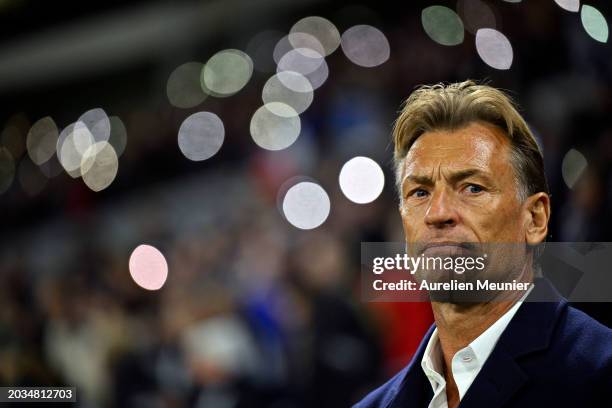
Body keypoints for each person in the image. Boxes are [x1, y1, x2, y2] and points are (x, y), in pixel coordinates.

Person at [354, 81, 612, 408]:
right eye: (419, 193)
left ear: (535, 219)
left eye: (472, 188)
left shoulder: (601, 378)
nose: (438, 213)